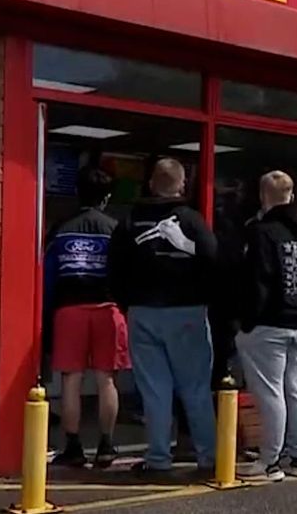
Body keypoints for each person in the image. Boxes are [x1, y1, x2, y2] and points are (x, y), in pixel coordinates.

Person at [110, 158, 219, 475]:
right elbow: (214, 261)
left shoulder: (130, 221)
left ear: (151, 184)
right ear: (181, 185)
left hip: (143, 312)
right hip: (187, 312)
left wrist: (127, 303)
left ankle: (158, 458)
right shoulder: (193, 221)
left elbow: (114, 269)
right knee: (196, 387)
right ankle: (209, 457)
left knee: (154, 390)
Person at [233, 172, 297, 481]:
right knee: (295, 387)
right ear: (291, 195)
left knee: (271, 392)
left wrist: (246, 322)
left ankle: (269, 461)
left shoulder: (261, 232)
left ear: (263, 195)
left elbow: (258, 281)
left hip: (267, 322)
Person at [43, 167, 127, 468]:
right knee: (107, 379)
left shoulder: (60, 229)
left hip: (69, 310)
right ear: (105, 198)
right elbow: (125, 275)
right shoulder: (116, 229)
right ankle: (106, 446)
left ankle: (74, 447)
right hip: (107, 308)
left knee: (71, 380)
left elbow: (48, 277)